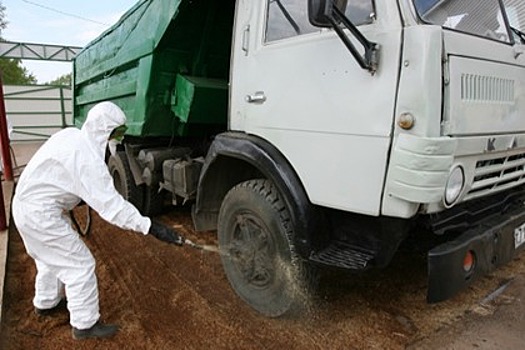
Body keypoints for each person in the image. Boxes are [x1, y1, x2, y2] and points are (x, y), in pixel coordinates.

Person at [11, 101, 184, 340]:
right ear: (104, 131)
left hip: (25, 206)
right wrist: (151, 227)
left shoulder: (72, 135)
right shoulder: (88, 160)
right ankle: (84, 325)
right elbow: (113, 208)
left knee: (50, 257)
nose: (120, 139)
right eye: (118, 133)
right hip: (40, 214)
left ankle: (46, 302)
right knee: (80, 265)